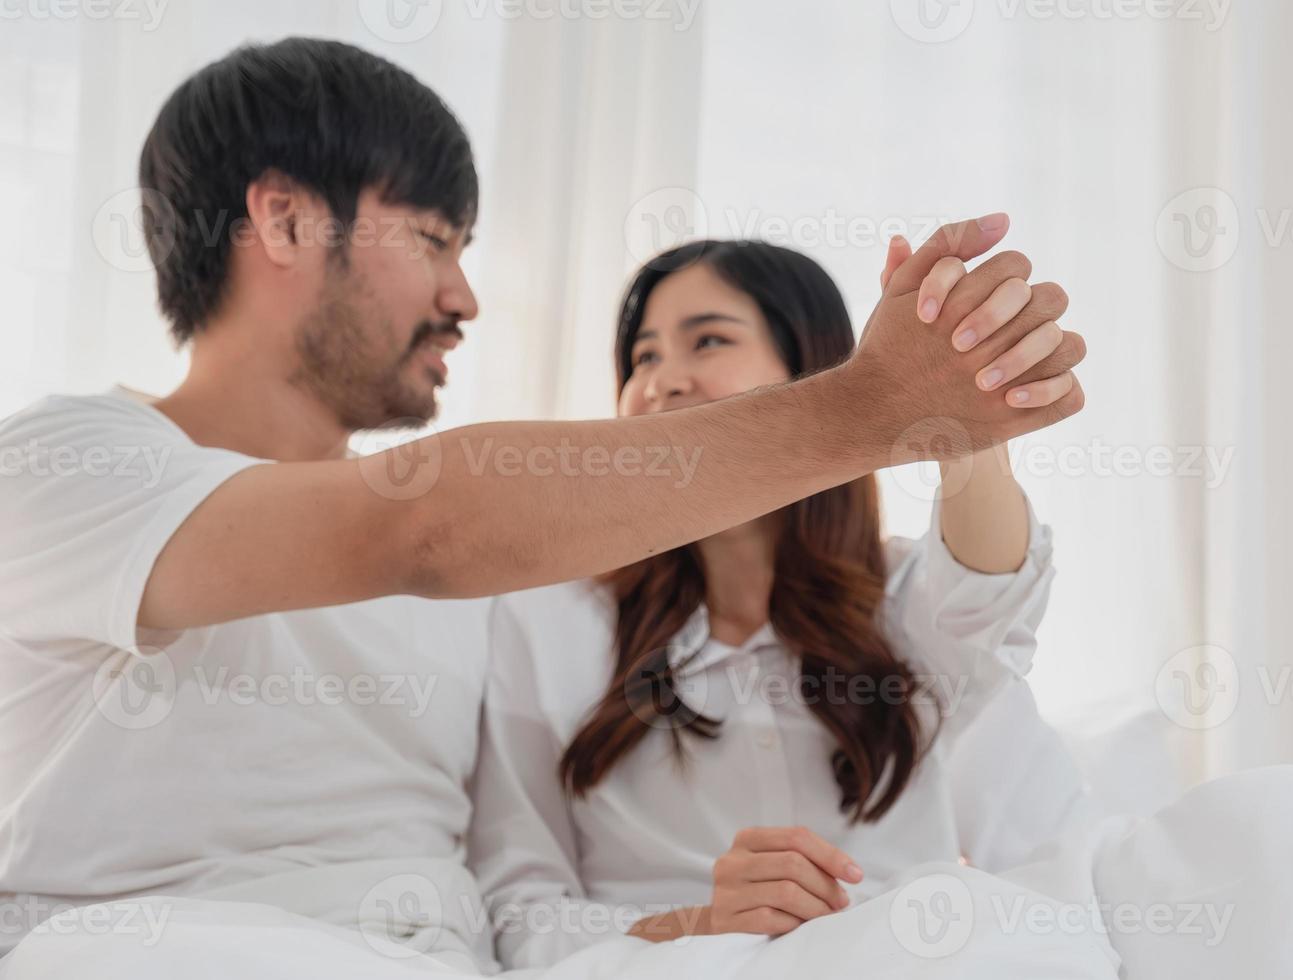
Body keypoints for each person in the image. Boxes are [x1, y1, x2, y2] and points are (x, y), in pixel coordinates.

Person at [0, 37, 1084, 974]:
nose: (465, 298)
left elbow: (526, 883)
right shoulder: (67, 464)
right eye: (433, 239)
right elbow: (422, 524)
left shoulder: (495, 604)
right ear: (283, 221)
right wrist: (870, 409)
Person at [472, 240, 1092, 970]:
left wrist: (954, 406)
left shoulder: (901, 601)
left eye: (707, 340)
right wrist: (698, 922)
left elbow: (987, 596)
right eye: (641, 359)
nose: (661, 383)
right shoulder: (548, 621)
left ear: (813, 375)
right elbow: (518, 916)